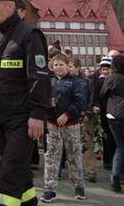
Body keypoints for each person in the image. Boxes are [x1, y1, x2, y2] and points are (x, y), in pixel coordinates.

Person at [0, 0, 51, 206]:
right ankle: (28, 201)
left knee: (10, 169)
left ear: (10, 7)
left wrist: (37, 114)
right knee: (20, 171)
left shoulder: (29, 35)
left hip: (22, 117)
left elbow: (39, 77)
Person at [41, 53, 87, 203]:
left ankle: (78, 186)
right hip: (52, 125)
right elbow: (40, 99)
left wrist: (67, 114)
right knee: (51, 157)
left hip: (71, 125)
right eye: (55, 65)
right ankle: (49, 188)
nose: (58, 67)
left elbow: (81, 102)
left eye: (61, 64)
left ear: (68, 66)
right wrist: (48, 103)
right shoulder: (49, 81)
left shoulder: (75, 82)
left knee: (74, 156)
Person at [68, 58, 97, 183]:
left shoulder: (87, 82)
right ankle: (75, 170)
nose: (68, 69)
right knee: (73, 145)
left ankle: (91, 170)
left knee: (88, 143)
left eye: (70, 66)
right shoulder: (66, 81)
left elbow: (92, 98)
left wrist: (89, 113)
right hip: (72, 116)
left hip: (86, 117)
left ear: (78, 68)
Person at [100, 54, 124, 192]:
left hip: (113, 115)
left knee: (119, 146)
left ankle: (115, 177)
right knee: (121, 146)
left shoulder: (110, 78)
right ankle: (118, 175)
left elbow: (103, 94)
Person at [93, 55, 117, 170]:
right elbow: (96, 96)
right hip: (103, 112)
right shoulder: (99, 82)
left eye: (108, 69)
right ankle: (107, 160)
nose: (106, 71)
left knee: (114, 137)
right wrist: (97, 106)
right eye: (103, 69)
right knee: (106, 136)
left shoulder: (114, 80)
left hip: (114, 111)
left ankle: (114, 159)